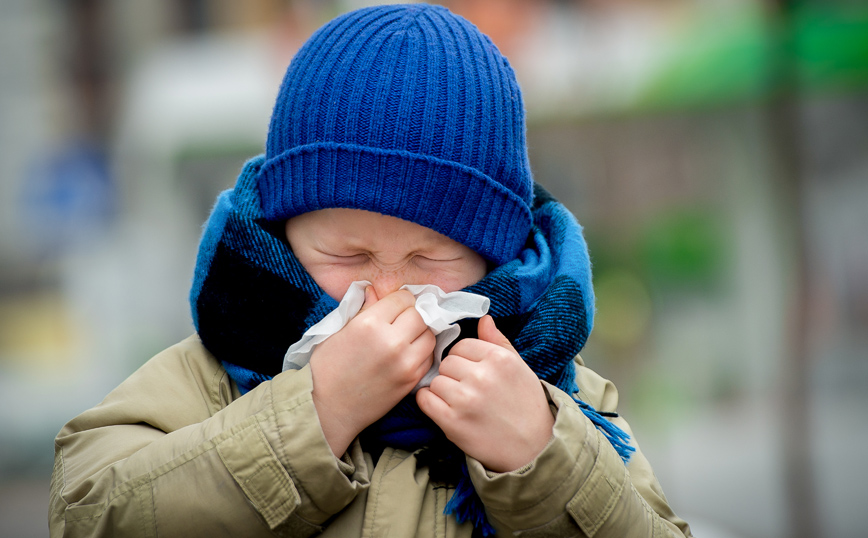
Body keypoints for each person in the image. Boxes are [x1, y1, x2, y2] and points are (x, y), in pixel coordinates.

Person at [49, 4, 692, 537]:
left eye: (427, 260)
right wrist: (314, 413)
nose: (385, 293)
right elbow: (88, 513)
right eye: (347, 257)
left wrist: (543, 458)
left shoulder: (560, 396)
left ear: (493, 258)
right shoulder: (211, 375)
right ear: (282, 236)